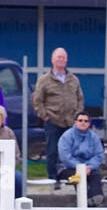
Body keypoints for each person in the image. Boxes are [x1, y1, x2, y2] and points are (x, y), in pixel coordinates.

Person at [32, 47, 84, 182]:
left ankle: (70, 177)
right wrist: (45, 115)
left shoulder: (74, 79)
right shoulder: (44, 80)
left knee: (71, 151)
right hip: (53, 121)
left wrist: (78, 117)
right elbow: (37, 100)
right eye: (58, 57)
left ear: (66, 60)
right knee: (53, 151)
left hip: (71, 122)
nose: (61, 60)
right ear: (52, 60)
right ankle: (53, 179)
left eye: (63, 57)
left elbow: (80, 98)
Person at [56, 111, 106, 201]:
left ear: (89, 123)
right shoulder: (66, 136)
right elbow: (65, 157)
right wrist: (81, 168)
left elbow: (98, 155)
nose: (83, 123)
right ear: (75, 122)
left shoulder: (94, 137)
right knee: (78, 176)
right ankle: (84, 200)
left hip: (89, 168)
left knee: (96, 175)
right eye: (80, 120)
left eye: (86, 121)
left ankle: (96, 198)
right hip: (67, 168)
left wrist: (89, 167)